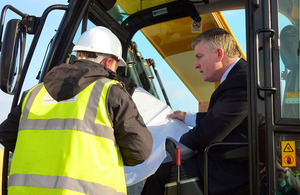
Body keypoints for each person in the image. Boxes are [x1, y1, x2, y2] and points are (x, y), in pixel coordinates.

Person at [0, 26, 153, 195]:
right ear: (109, 62)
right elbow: (139, 151)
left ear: (79, 55)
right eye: (117, 66)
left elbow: (6, 134)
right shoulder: (111, 92)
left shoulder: (33, 93)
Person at [141, 28, 248, 195]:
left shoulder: (240, 81)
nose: (196, 65)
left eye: (200, 56)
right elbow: (221, 119)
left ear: (219, 54)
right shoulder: (238, 78)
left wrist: (172, 144)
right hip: (228, 161)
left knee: (159, 174)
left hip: (230, 171)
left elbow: (208, 132)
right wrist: (187, 117)